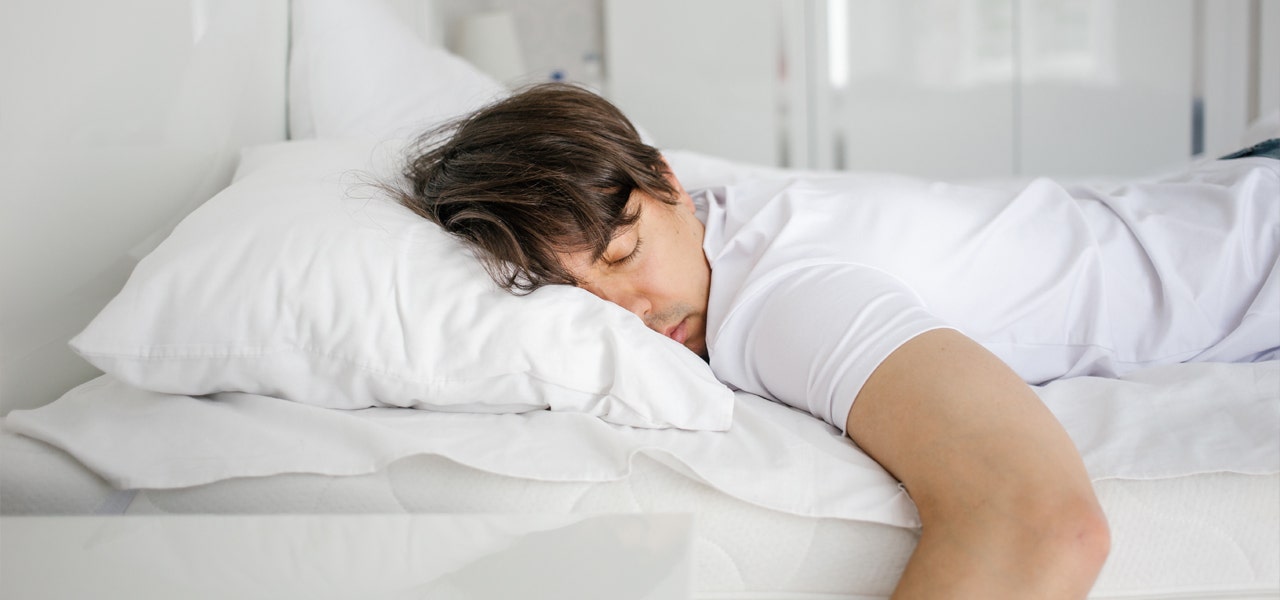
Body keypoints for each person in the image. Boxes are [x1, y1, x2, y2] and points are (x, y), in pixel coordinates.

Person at [397, 83, 1280, 598]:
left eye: (625, 254)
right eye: (578, 299)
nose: (634, 313)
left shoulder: (786, 303)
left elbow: (1042, 523)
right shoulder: (716, 224)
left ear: (671, 183)